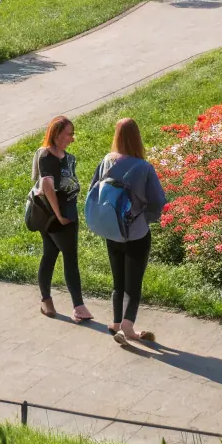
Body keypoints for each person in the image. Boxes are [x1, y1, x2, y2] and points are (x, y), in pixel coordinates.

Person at [90, 117, 166, 348]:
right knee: (134, 285)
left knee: (118, 282)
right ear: (137, 138)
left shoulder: (106, 161)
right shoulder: (143, 167)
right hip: (136, 234)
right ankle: (127, 327)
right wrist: (146, 220)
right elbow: (158, 201)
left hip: (111, 232)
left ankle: (115, 323)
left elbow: (95, 189)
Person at [34, 116, 91, 323]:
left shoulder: (67, 157)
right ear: (57, 135)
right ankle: (79, 307)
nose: (72, 138)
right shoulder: (47, 157)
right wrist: (59, 215)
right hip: (57, 217)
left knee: (50, 254)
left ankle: (46, 300)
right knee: (70, 258)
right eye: (69, 134)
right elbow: (47, 185)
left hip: (63, 215)